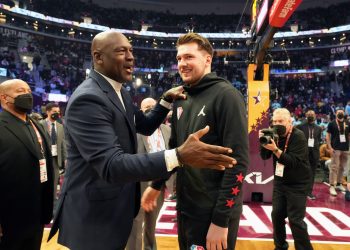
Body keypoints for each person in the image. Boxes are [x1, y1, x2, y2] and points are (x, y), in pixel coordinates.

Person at [48, 30, 237, 250]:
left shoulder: (118, 92)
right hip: (94, 216)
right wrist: (178, 155)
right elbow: (112, 165)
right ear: (98, 57)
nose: (131, 57)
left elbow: (145, 126)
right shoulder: (89, 99)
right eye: (121, 51)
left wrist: (165, 100)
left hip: (114, 208)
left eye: (131, 50)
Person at [142, 33, 249, 250]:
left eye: (189, 57)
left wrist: (221, 219)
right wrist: (156, 185)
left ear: (207, 59)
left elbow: (238, 162)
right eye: (179, 58)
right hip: (186, 207)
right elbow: (174, 150)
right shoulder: (181, 98)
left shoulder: (227, 96)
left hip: (212, 213)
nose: (182, 64)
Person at [0, 79, 54, 250]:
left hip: (36, 214)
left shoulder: (36, 125)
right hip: (9, 218)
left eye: (29, 91)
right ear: (4, 98)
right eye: (20, 91)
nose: (27, 95)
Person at [260, 108, 313, 250]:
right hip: (280, 182)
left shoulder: (299, 136)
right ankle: (280, 247)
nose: (277, 124)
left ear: (290, 122)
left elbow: (292, 163)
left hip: (298, 183)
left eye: (281, 121)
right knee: (276, 216)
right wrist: (264, 143)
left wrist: (275, 150)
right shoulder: (273, 134)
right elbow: (264, 156)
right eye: (275, 121)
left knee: (295, 220)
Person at [126, 97, 170, 250]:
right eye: (146, 107)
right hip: (139, 182)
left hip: (160, 182)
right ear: (141, 110)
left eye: (153, 106)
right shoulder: (135, 129)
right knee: (136, 223)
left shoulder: (167, 129)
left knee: (152, 223)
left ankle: (151, 248)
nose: (151, 109)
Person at [40, 102, 67, 199]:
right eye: (54, 111)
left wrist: (65, 158)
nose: (57, 113)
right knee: (43, 179)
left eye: (58, 111)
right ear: (48, 112)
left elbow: (63, 144)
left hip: (56, 157)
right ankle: (43, 196)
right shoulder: (40, 124)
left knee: (55, 178)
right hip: (44, 157)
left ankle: (53, 195)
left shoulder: (60, 126)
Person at [296, 110, 322, 200]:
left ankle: (309, 192)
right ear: (306, 115)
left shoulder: (318, 128)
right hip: (303, 152)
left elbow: (318, 140)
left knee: (312, 173)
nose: (311, 115)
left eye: (312, 114)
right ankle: (300, 190)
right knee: (301, 172)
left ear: (315, 116)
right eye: (309, 114)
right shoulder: (300, 126)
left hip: (314, 153)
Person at [326, 108, 349, 196]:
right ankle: (332, 185)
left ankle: (339, 184)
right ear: (336, 114)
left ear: (344, 113)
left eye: (341, 112)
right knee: (334, 167)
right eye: (338, 112)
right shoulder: (332, 123)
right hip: (336, 148)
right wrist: (330, 147)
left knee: (342, 167)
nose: (340, 113)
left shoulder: (347, 122)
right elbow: (328, 136)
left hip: (345, 148)